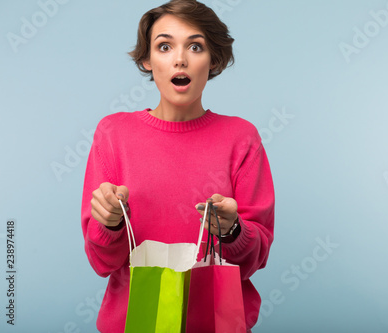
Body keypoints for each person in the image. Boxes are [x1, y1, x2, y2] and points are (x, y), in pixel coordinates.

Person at [80, 0, 275, 332]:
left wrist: (231, 230)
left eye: (195, 46)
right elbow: (102, 263)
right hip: (133, 324)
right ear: (147, 59)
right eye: (165, 46)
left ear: (213, 59)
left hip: (215, 324)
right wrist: (110, 223)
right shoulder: (113, 134)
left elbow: (253, 259)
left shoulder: (242, 138)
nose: (180, 59)